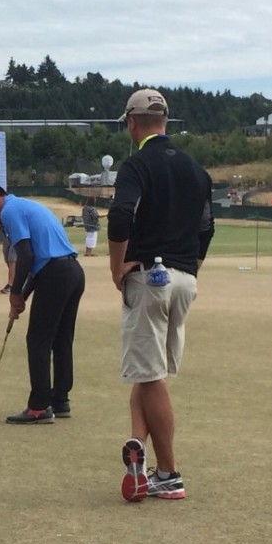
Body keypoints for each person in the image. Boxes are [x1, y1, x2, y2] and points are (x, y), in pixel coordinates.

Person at [108, 88, 214, 502]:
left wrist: (117, 267)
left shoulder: (136, 165)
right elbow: (207, 230)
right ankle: (138, 445)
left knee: (150, 376)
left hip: (149, 278)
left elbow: (121, 216)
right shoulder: (196, 170)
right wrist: (191, 267)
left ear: (132, 123)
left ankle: (169, 474)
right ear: (165, 120)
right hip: (185, 279)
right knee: (149, 372)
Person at [0, 181, 85, 424]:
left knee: (38, 340)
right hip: (71, 272)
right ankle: (60, 400)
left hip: (55, 274)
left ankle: (39, 406)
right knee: (61, 339)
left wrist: (14, 293)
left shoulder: (10, 210)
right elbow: (36, 264)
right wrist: (22, 296)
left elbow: (26, 255)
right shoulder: (25, 205)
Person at [0, 220, 16, 294]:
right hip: (7, 238)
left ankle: (11, 285)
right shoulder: (1, 214)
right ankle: (16, 279)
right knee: (7, 260)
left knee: (12, 259)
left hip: (17, 237)